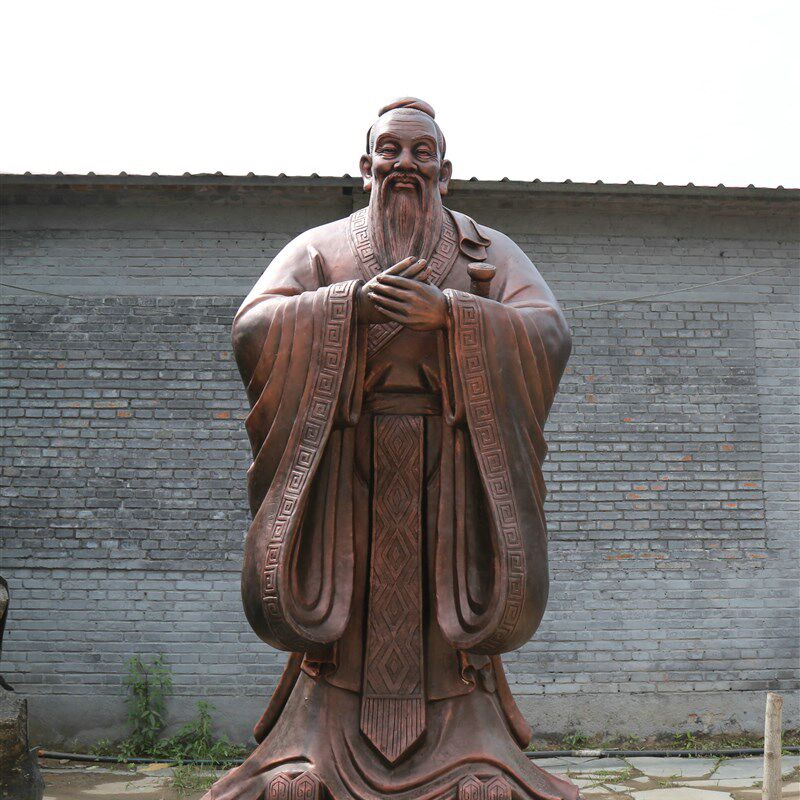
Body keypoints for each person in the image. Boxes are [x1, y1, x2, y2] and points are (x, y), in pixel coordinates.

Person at [204, 98, 578, 800]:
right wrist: (344, 306)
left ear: (445, 172)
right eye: (391, 150)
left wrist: (454, 315)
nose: (405, 164)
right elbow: (252, 327)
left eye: (421, 152)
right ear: (365, 164)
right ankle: (317, 746)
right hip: (347, 473)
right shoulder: (321, 248)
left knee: (448, 627)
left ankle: (470, 750)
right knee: (343, 622)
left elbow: (549, 332)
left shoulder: (488, 252)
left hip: (451, 474)